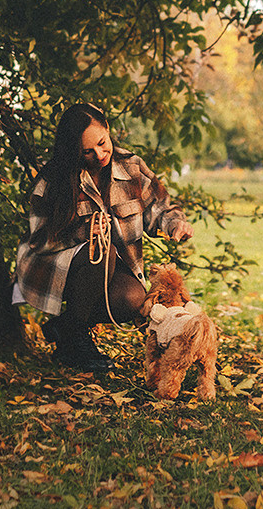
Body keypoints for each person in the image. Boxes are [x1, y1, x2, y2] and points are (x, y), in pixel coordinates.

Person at [13, 103, 193, 373]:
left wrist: (175, 224)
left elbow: (160, 207)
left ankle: (67, 328)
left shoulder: (132, 167)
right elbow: (39, 239)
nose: (99, 154)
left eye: (101, 143)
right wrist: (83, 233)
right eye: (87, 151)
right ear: (74, 151)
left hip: (108, 270)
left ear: (107, 129)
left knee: (134, 299)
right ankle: (76, 339)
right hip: (54, 268)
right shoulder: (54, 179)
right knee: (101, 250)